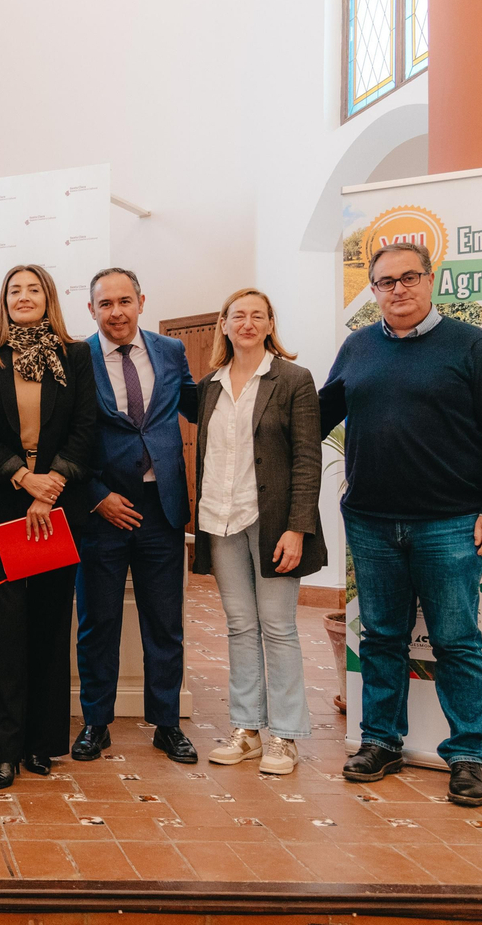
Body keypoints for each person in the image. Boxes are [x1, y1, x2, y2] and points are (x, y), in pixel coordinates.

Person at [320, 242, 482, 807]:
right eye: (386, 282)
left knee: (456, 641)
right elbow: (317, 415)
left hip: (450, 522)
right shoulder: (357, 346)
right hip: (371, 521)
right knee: (382, 637)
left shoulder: (471, 344)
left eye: (409, 278)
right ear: (374, 291)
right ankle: (381, 742)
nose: (398, 289)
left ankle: (467, 755)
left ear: (431, 280)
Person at [0, 265, 98, 790]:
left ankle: (41, 743)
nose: (23, 297)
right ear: (4, 301)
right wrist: (24, 478)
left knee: (48, 624)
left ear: (49, 298)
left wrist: (50, 487)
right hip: (4, 505)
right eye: (14, 290)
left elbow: (85, 427)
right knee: (2, 631)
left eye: (33, 289)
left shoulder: (76, 355)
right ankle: (2, 751)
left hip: (57, 510)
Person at [191, 288, 326, 776]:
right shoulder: (209, 385)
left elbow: (308, 457)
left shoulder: (293, 379)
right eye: (238, 316)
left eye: (257, 316)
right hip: (220, 519)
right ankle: (247, 730)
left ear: (270, 324)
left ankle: (285, 737)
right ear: (224, 325)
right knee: (240, 625)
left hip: (272, 523)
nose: (247, 323)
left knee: (278, 626)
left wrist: (297, 528)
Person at [74, 267, 200, 764]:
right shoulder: (77, 356)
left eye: (124, 301)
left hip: (161, 507)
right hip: (101, 510)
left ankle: (167, 724)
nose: (116, 312)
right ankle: (96, 723)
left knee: (165, 624)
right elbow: (66, 436)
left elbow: (196, 405)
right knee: (98, 623)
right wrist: (96, 495)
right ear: (91, 309)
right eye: (105, 304)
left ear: (141, 302)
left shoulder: (170, 351)